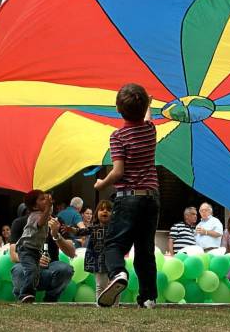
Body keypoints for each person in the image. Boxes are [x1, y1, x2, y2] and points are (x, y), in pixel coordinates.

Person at [94, 83, 160, 309]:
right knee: (145, 249)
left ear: (118, 110)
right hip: (151, 198)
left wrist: (102, 183)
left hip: (128, 197)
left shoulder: (118, 136)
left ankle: (118, 273)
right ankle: (148, 298)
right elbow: (148, 118)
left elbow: (119, 171)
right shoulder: (150, 131)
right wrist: (148, 104)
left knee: (113, 245)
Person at [10, 199, 75, 303]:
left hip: (51, 267)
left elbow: (72, 253)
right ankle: (24, 297)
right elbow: (13, 255)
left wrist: (56, 235)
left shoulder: (58, 222)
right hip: (26, 265)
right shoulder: (20, 222)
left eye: (50, 203)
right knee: (18, 271)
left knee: (66, 270)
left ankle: (51, 299)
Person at [72, 200, 117, 305]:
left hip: (113, 260)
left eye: (108, 210)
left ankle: (115, 306)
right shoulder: (94, 227)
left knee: (115, 285)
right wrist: (71, 230)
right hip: (98, 260)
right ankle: (100, 305)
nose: (105, 211)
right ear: (97, 213)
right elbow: (81, 231)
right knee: (100, 285)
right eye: (102, 209)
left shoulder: (115, 228)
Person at [13, 190, 52, 303]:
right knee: (31, 270)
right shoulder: (35, 216)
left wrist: (48, 203)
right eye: (42, 199)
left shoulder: (44, 213)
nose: (45, 201)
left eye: (45, 198)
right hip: (25, 249)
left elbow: (47, 214)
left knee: (36, 273)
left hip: (35, 250)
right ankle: (24, 294)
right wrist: (48, 207)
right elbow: (41, 222)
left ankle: (29, 295)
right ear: (35, 206)